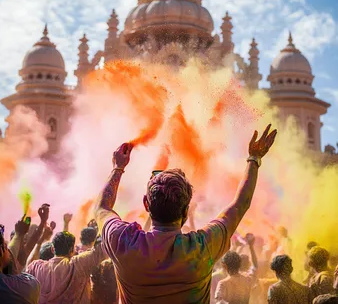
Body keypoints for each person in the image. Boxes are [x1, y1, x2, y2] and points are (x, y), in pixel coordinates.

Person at [95, 124, 277, 303]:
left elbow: (102, 208)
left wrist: (118, 167)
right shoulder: (202, 247)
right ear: (186, 211)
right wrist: (254, 159)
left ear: (146, 205)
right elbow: (240, 206)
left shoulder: (124, 242)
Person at [26, 231, 106, 304]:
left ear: (53, 249)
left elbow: (28, 265)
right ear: (72, 249)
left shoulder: (37, 267)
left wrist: (39, 242)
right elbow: (101, 251)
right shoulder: (78, 264)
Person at [0, 224, 40, 304]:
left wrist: (18, 235)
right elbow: (34, 285)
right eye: (6, 247)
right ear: (1, 251)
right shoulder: (23, 287)